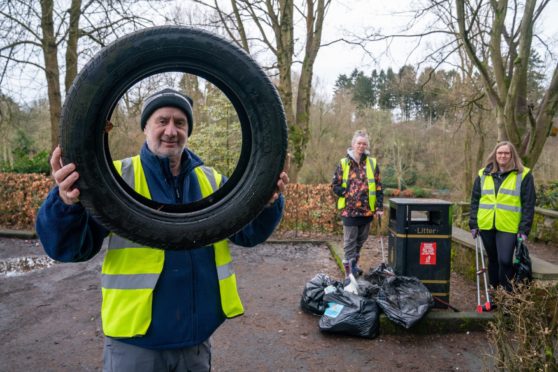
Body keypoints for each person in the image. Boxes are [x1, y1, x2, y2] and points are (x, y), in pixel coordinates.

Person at [36, 88, 289, 371]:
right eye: (162, 120)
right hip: (135, 345)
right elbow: (68, 249)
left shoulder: (213, 181)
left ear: (188, 131)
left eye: (180, 123)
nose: (171, 130)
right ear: (145, 126)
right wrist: (65, 203)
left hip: (195, 343)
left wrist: (267, 202)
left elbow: (250, 234)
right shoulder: (115, 178)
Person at [469, 141, 536, 293]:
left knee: (505, 260)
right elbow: (475, 200)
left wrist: (524, 228)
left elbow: (528, 203)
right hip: (486, 223)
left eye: (506, 153)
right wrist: (473, 222)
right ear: (495, 155)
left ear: (512, 155)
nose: (503, 156)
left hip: (509, 225)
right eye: (500, 153)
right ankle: (494, 295)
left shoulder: (523, 174)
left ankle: (506, 297)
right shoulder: (483, 174)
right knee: (493, 260)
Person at [331, 129, 383, 279]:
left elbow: (379, 186)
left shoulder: (372, 164)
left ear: (367, 146)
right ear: (353, 144)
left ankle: (353, 265)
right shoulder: (344, 163)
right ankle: (349, 274)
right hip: (349, 211)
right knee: (349, 243)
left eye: (364, 144)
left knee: (360, 242)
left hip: (367, 211)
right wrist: (346, 193)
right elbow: (334, 185)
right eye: (359, 143)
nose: (361, 146)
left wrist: (379, 207)